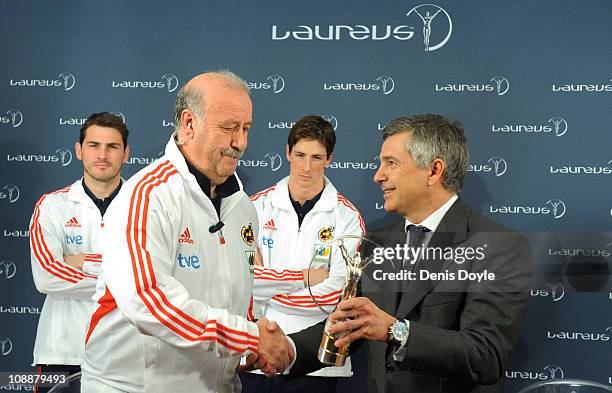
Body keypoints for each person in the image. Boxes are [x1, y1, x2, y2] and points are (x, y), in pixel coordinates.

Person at [81, 71, 293, 393]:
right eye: (229, 128)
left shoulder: (244, 209)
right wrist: (249, 337)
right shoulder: (147, 195)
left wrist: (246, 348)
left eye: (246, 129)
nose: (240, 142)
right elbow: (150, 301)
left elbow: (237, 299)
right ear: (189, 123)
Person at [287, 114, 533, 393]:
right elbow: (352, 324)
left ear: (434, 171)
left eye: (391, 163)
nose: (378, 176)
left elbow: (485, 355)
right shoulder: (377, 241)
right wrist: (286, 349)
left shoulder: (498, 245)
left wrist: (395, 331)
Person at [240, 115, 365, 392]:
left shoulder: (347, 217)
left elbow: (337, 294)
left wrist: (268, 289)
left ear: (330, 158)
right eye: (299, 155)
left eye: (316, 158)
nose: (306, 167)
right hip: (256, 352)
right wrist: (306, 277)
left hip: (316, 363)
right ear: (287, 153)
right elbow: (241, 281)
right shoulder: (254, 208)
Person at [29, 112, 130, 392]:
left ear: (126, 153)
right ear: (78, 150)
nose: (102, 155)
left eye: (112, 147)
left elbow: (158, 273)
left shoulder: (145, 207)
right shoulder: (51, 206)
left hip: (126, 354)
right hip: (62, 352)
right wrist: (122, 276)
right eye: (94, 145)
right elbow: (47, 276)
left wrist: (79, 261)